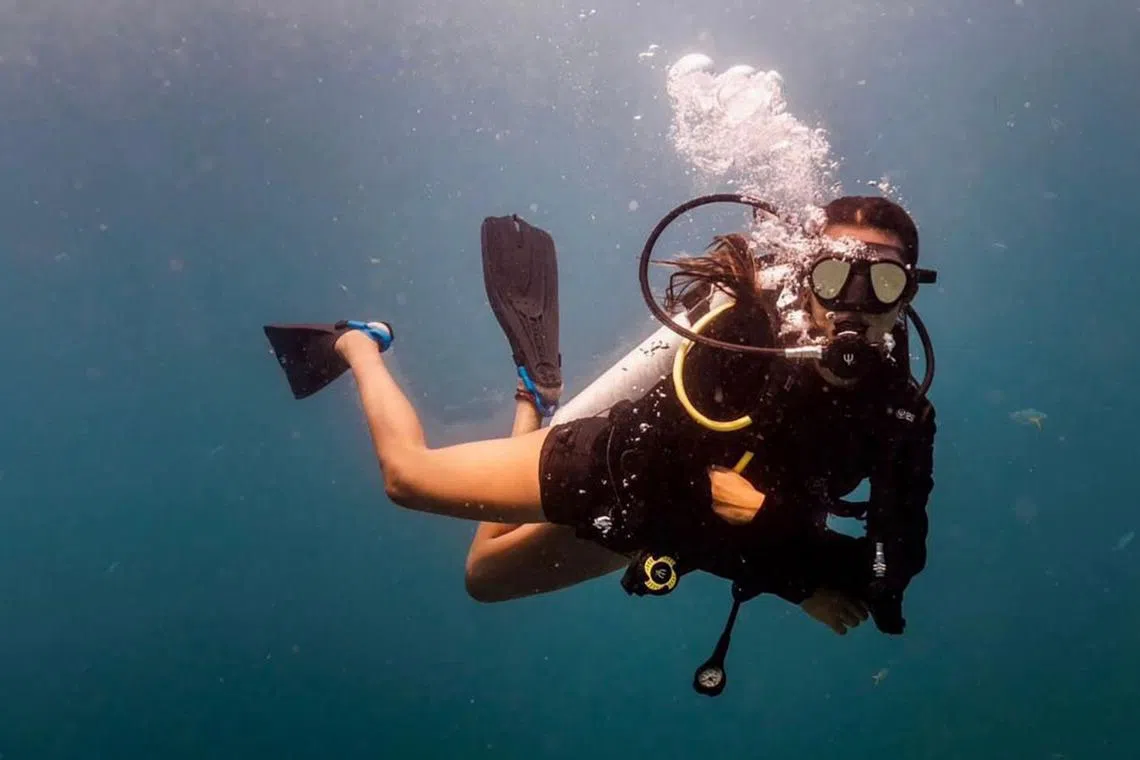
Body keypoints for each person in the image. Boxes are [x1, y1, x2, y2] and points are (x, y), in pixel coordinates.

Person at [263, 194, 938, 696]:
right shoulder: (743, 336)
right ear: (805, 277)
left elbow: (889, 578)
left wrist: (768, 530)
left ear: (906, 294)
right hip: (615, 469)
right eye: (833, 277)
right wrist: (795, 572)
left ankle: (534, 398)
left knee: (484, 578)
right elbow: (689, 496)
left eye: (881, 282)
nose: (853, 302)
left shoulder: (901, 414)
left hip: (657, 528)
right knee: (405, 478)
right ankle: (358, 343)